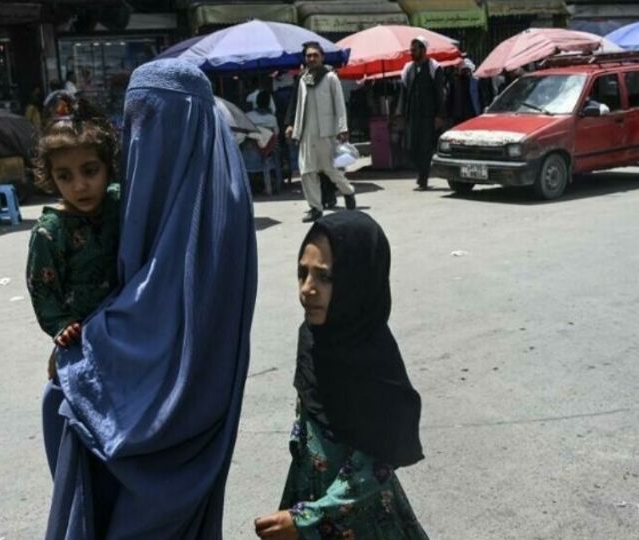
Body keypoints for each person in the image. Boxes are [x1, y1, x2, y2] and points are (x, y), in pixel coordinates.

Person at [44, 59, 257, 539]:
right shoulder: (215, 179)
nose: (142, 140)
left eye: (152, 121)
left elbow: (160, 313)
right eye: (133, 122)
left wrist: (80, 356)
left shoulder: (212, 206)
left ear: (185, 121)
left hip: (173, 411)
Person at [253, 212, 428, 540]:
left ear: (356, 282)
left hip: (360, 518)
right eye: (302, 273)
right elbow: (307, 428)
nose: (308, 289)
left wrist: (307, 521)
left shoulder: (376, 367)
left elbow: (373, 467)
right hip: (310, 502)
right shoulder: (312, 339)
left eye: (325, 277)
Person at [25, 91, 122, 469]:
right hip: (81, 338)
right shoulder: (50, 231)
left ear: (107, 168)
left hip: (123, 329)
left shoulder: (119, 202)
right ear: (49, 178)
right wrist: (61, 326)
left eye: (90, 171)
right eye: (65, 176)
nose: (80, 186)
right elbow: (42, 289)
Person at [286, 42, 357, 222]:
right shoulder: (303, 80)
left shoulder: (331, 78)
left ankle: (348, 192)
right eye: (309, 56)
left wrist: (343, 128)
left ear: (322, 57)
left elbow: (340, 104)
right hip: (307, 132)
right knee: (306, 171)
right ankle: (315, 208)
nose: (311, 58)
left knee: (329, 169)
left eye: (315, 55)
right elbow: (298, 106)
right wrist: (294, 127)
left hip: (327, 131)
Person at [399, 36, 446, 191]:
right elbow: (404, 93)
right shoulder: (407, 69)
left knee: (425, 148)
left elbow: (439, 93)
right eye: (411, 50)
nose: (411, 53)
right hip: (412, 115)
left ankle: (423, 179)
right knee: (410, 147)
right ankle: (422, 172)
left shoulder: (434, 67)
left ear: (423, 50)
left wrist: (439, 115)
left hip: (428, 116)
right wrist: (401, 114)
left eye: (414, 50)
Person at [447, 59, 481, 127]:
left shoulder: (475, 82)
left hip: (472, 113)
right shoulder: (455, 82)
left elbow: (480, 97)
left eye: (467, 69)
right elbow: (451, 98)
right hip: (459, 114)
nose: (466, 72)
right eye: (464, 70)